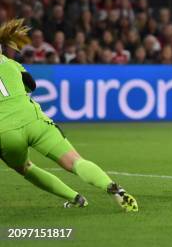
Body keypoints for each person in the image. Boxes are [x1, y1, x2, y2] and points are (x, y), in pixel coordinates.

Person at [0, 19, 138, 211]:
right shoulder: (12, 64)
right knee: (75, 161)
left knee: (25, 168)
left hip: (5, 132)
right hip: (34, 120)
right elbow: (31, 85)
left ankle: (75, 198)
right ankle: (114, 189)